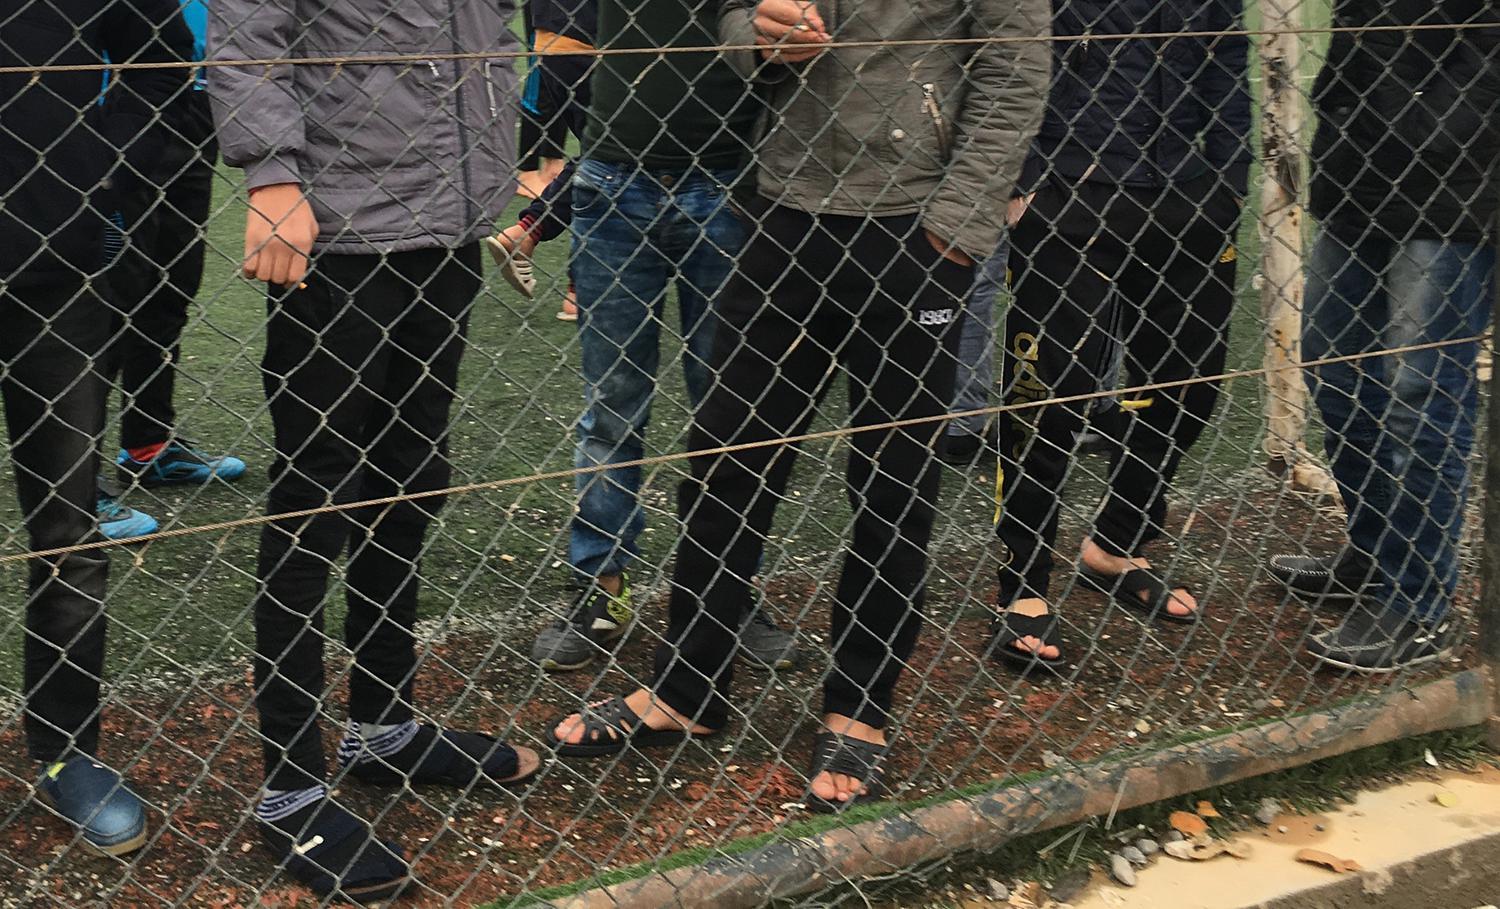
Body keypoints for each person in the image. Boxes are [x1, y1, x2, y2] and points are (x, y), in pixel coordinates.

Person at [550, 0, 1048, 813]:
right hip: (778, 215)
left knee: (892, 490)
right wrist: (758, 37)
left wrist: (957, 230)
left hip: (913, 231)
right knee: (724, 467)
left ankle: (860, 704)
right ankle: (688, 688)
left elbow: (1014, 71)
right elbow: (732, 23)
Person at [210, 2, 540, 899]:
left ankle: (384, 725)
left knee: (412, 478)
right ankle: (290, 783)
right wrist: (272, 178)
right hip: (343, 234)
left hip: (450, 227)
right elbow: (249, 28)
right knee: (319, 498)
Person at [527, 0, 797, 674]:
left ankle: (727, 588)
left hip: (733, 182)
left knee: (734, 406)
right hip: (616, 182)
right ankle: (602, 585)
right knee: (613, 405)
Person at [990, 0, 1250, 672]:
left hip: (1188, 195)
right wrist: (1023, 183)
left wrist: (1228, 179)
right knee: (1052, 393)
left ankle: (1115, 543)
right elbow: (1002, 53)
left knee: (1190, 385)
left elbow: (1226, 53)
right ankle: (1021, 585)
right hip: (1068, 192)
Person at [2, 0, 190, 857]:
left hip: (55, 266)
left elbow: (162, 56)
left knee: (68, 531)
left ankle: (65, 750)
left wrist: (104, 166)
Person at [1268, 0, 1499, 672]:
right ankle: (1375, 556)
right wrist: (1347, 115)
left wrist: (1434, 125)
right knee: (1335, 368)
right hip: (1361, 168)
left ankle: (1419, 605)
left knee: (1421, 391)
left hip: (1457, 181)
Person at [98, 0, 245, 544]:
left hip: (193, 104)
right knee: (110, 296)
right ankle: (73, 481)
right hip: (122, 105)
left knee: (170, 288)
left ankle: (148, 445)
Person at [487, 0, 597, 321]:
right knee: (609, 159)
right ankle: (580, 287)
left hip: (555, 35)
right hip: (591, 36)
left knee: (604, 152)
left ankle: (529, 232)